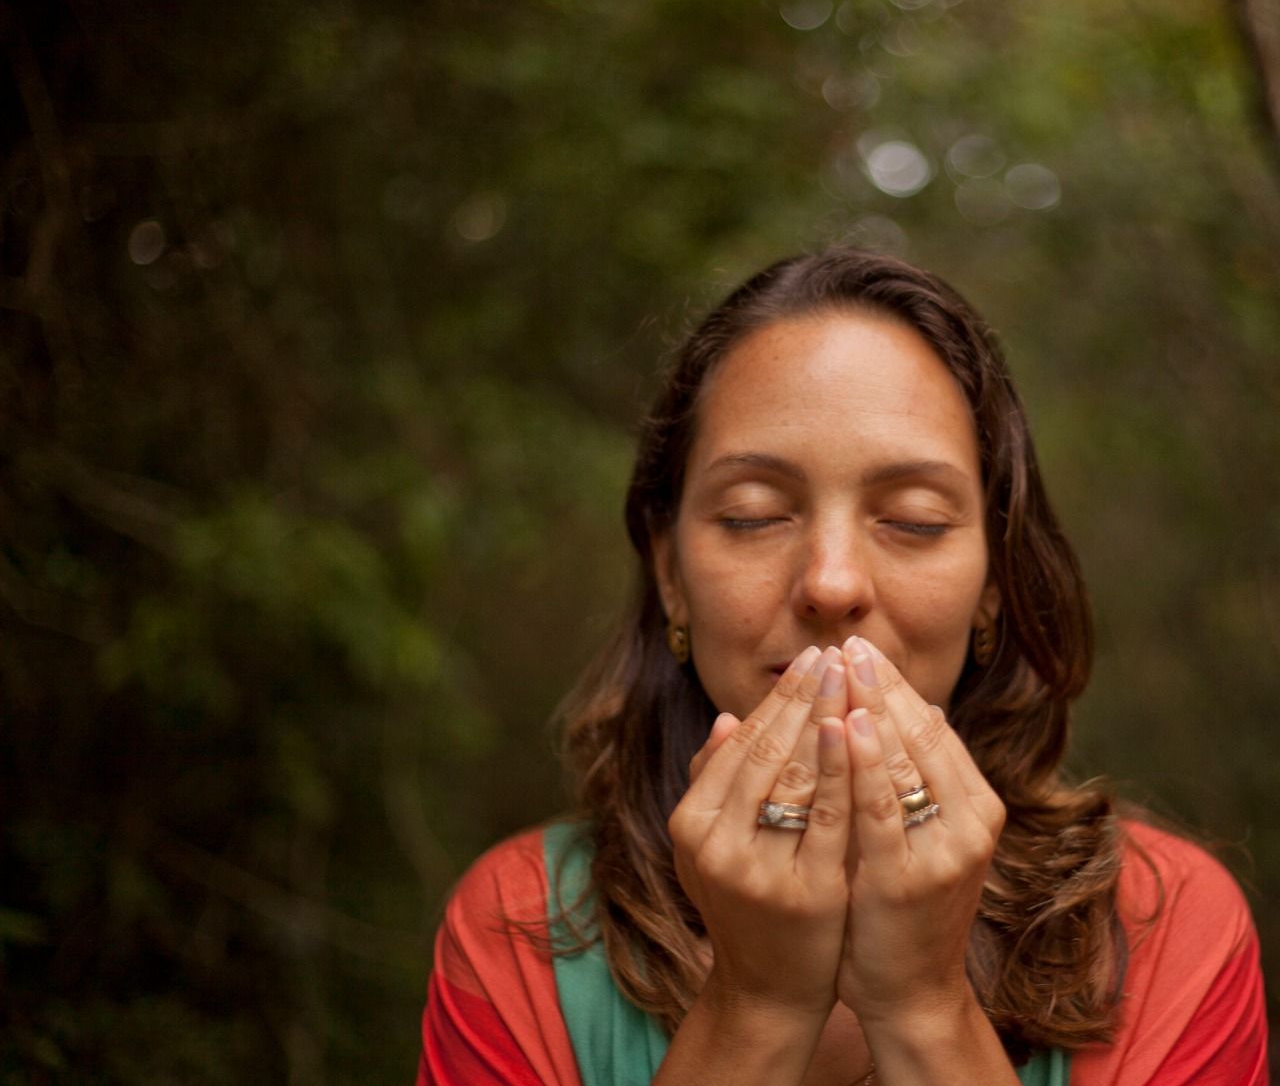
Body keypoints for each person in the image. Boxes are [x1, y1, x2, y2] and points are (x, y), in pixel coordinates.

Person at [415, 249, 1268, 1085]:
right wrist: (758, 1005)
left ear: (994, 588)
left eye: (915, 518)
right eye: (753, 516)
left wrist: (925, 1007)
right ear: (671, 575)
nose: (830, 582)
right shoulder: (520, 924)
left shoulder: (1169, 929)